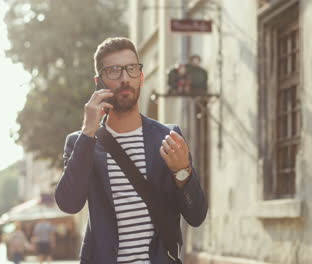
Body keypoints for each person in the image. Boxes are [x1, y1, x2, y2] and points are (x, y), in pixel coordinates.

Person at [55, 37, 208, 263]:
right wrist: (88, 131)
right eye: (114, 71)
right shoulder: (82, 143)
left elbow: (196, 216)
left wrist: (182, 172)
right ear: (99, 81)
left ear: (142, 76)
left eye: (132, 69)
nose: (125, 78)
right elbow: (69, 203)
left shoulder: (167, 138)